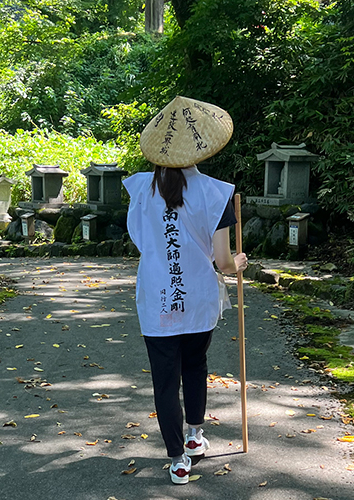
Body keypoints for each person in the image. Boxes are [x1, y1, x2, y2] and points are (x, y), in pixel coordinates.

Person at [123, 96, 249, 485]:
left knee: (165, 380)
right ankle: (195, 436)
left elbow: (142, 241)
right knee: (195, 366)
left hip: (157, 299)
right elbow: (223, 262)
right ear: (202, 147)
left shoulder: (143, 189)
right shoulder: (216, 194)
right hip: (197, 298)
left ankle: (178, 460)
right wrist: (239, 264)